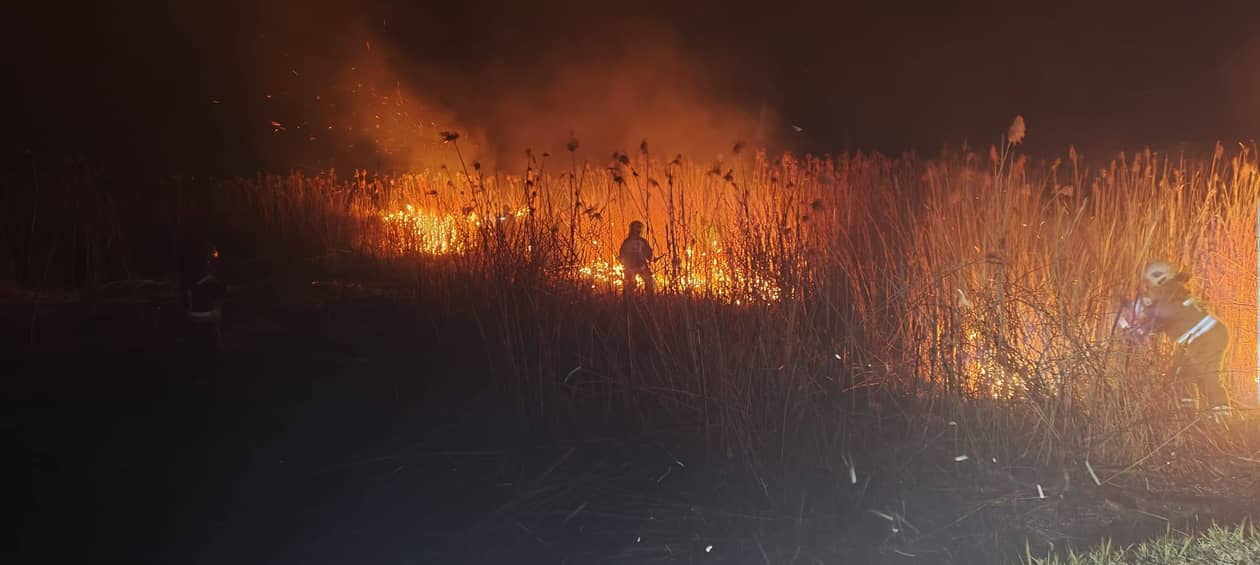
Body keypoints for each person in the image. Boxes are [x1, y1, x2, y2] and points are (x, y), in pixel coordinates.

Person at [1134, 260, 1231, 421]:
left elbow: (1163, 313)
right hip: (1197, 340)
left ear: (1159, 277)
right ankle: (1188, 417)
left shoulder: (1170, 290)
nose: (1149, 287)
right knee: (1181, 374)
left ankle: (1223, 419)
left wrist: (1144, 313)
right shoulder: (1169, 294)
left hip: (1209, 337)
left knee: (1208, 374)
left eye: (1149, 282)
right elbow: (1161, 319)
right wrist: (1142, 328)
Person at [618, 220, 655, 297]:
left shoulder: (639, 242)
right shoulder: (629, 242)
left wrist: (651, 258)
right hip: (631, 267)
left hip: (641, 266)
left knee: (648, 282)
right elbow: (622, 255)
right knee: (630, 286)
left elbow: (649, 254)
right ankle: (630, 299)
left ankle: (649, 298)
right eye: (637, 228)